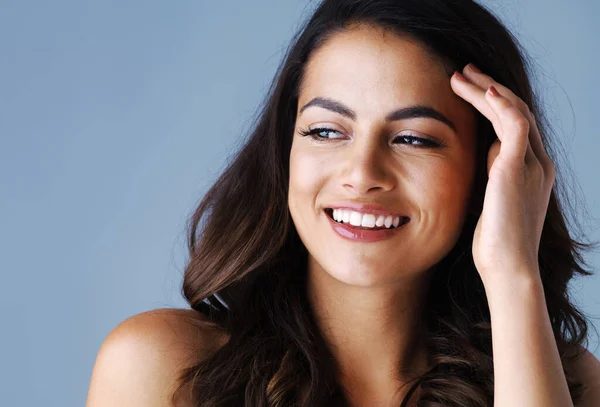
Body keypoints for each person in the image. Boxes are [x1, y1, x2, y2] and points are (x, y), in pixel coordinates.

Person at [86, 0, 600, 406]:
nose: (361, 174)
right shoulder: (161, 367)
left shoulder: (566, 381)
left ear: (489, 172)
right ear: (286, 149)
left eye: (414, 139)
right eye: (327, 130)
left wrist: (513, 274)